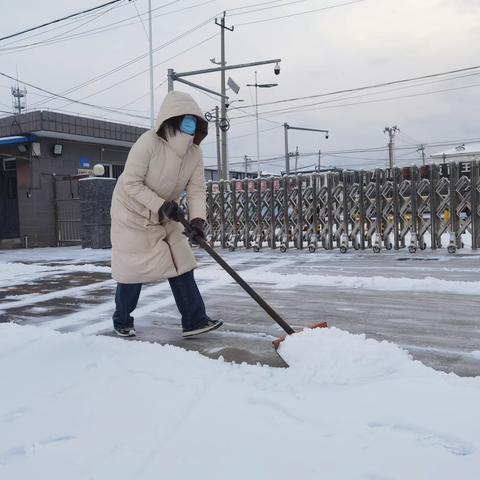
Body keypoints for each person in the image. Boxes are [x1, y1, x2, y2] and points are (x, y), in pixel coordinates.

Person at [110, 91, 222, 338]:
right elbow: (130, 182)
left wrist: (197, 221)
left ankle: (194, 320)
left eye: (195, 120)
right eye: (186, 119)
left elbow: (196, 189)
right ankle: (122, 319)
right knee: (132, 267)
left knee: (181, 260)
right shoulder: (148, 142)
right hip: (132, 212)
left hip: (166, 213)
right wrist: (160, 204)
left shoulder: (194, 153)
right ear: (172, 118)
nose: (192, 125)